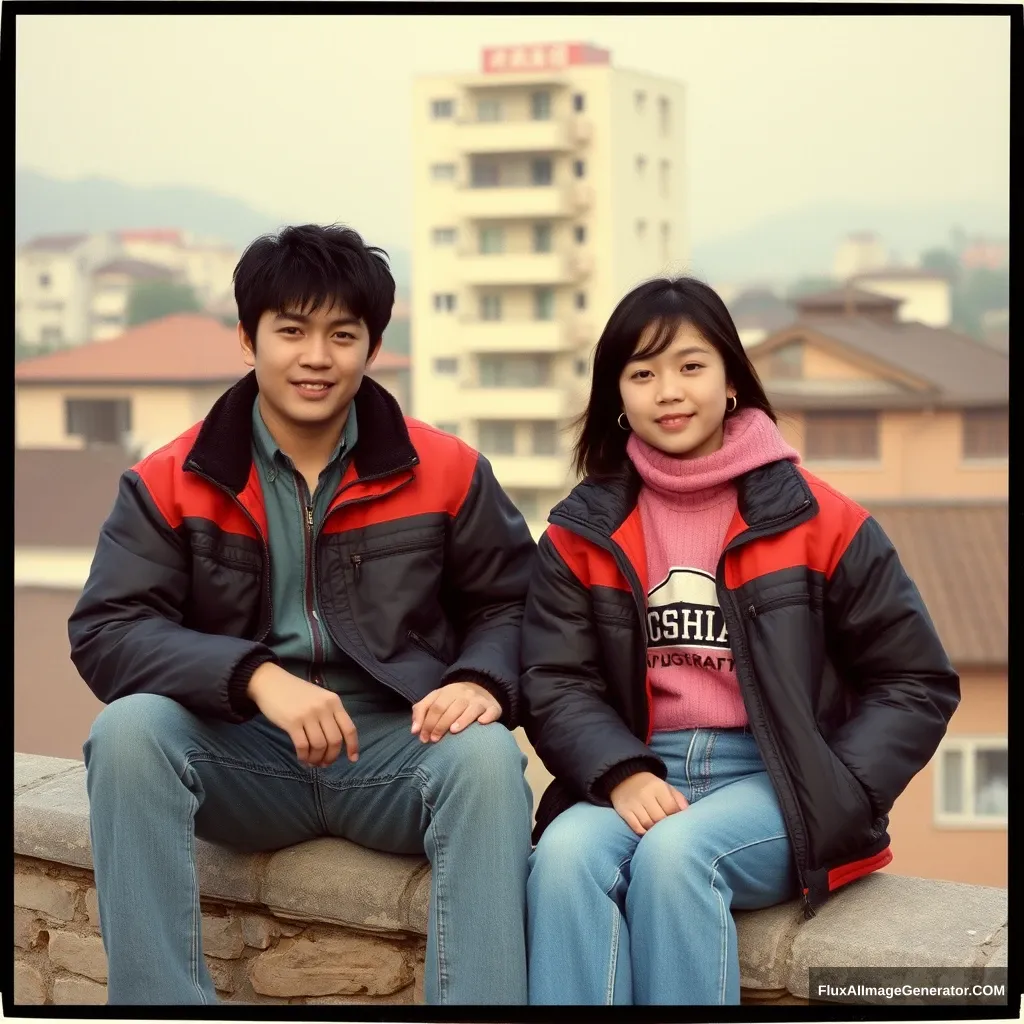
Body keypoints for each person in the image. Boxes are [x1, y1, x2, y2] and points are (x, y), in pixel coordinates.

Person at [69, 224, 536, 1005]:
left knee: (487, 760)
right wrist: (252, 677)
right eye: (290, 330)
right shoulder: (170, 478)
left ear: (371, 346)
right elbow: (108, 630)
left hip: (397, 752)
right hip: (244, 756)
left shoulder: (448, 470)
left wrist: (484, 678)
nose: (315, 357)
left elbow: (517, 602)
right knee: (126, 734)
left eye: (341, 335)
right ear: (249, 339)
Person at [520, 276, 960, 1005]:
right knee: (562, 857)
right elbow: (554, 678)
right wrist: (619, 772)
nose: (669, 390)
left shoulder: (822, 519)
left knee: (676, 858)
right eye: (642, 372)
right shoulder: (578, 533)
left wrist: (838, 788)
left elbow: (916, 680)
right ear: (617, 397)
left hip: (773, 780)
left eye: (691, 366)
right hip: (639, 770)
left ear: (730, 381)